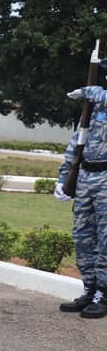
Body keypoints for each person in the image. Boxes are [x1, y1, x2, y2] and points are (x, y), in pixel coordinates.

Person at [57, 70, 107, 318]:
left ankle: (103, 293)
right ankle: (89, 288)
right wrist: (63, 177)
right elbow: (76, 143)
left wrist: (91, 92)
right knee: (82, 235)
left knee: (105, 238)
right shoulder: (93, 106)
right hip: (86, 175)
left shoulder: (97, 97)